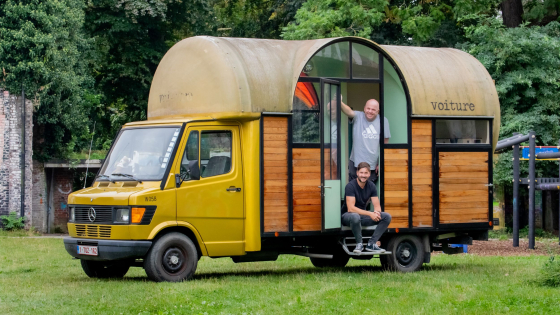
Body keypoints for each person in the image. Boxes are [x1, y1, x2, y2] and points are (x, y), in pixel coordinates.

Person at [341, 162, 392, 253]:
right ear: (357, 173)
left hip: (362, 216)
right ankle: (359, 244)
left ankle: (372, 244)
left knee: (386, 216)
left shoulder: (371, 186)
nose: (363, 175)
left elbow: (377, 206)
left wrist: (376, 213)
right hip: (348, 216)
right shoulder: (350, 186)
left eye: (366, 173)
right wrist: (370, 213)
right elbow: (351, 208)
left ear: (369, 174)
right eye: (361, 173)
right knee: (355, 216)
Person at [341, 98, 390, 183]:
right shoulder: (358, 116)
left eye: (373, 109)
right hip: (355, 162)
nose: (370, 111)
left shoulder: (383, 121)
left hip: (372, 165)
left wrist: (380, 162)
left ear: (378, 111)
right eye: (368, 108)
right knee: (353, 189)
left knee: (368, 192)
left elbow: (385, 142)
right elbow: (349, 111)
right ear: (364, 108)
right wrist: (340, 102)